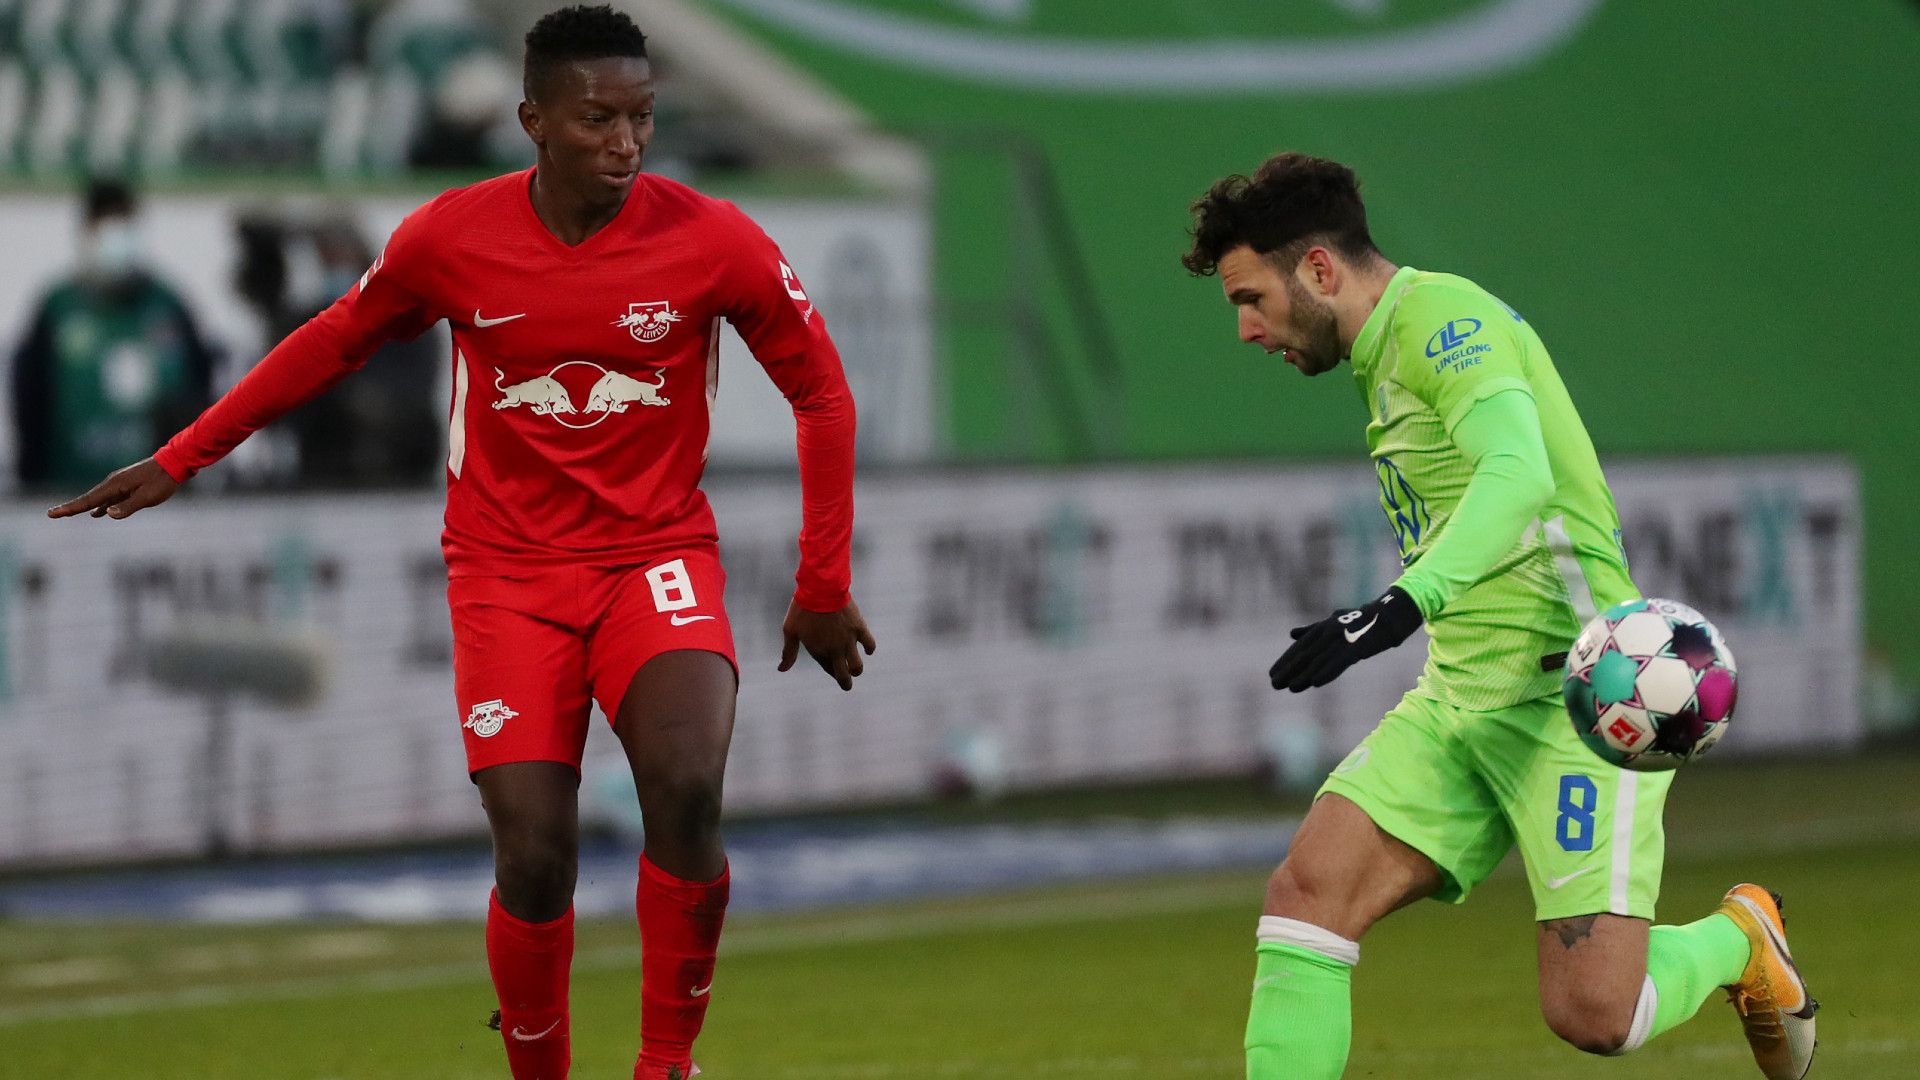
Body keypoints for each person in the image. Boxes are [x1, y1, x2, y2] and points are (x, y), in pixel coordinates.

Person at [50, 7, 877, 1079]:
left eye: (642, 118)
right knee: (535, 855)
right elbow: (329, 342)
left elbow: (822, 393)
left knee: (685, 787)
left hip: (654, 561)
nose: (626, 143)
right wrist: (185, 455)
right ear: (534, 121)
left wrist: (822, 581)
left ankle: (666, 1066)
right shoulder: (452, 238)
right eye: (598, 120)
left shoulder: (714, 239)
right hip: (507, 578)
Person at [1181, 152, 1816, 1080]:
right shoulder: (1378, 355)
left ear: (1318, 270)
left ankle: (1740, 941)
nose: (1245, 329)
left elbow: (1516, 471)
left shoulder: (1445, 321)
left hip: (1582, 699)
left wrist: (1400, 605)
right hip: (1460, 698)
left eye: (1251, 298)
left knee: (1597, 1015)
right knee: (1307, 894)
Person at [10, 178, 217, 492]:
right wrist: (33, 482)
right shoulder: (57, 309)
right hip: (71, 494)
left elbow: (200, 391)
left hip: (160, 503)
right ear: (87, 232)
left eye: (124, 223)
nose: (116, 238)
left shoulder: (167, 306)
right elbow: (30, 403)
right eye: (106, 225)